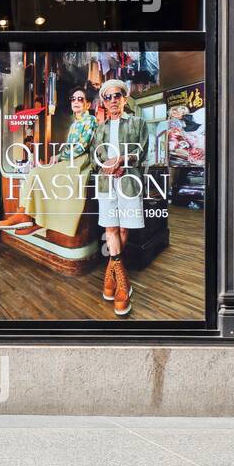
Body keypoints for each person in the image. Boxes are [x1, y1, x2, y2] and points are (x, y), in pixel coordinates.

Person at [0, 87, 96, 237]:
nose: (76, 101)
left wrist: (59, 157)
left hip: (79, 162)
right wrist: (59, 158)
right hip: (70, 160)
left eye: (80, 99)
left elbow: (82, 146)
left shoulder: (90, 119)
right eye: (73, 99)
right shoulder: (75, 123)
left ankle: (30, 218)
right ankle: (26, 215)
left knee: (38, 173)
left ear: (87, 104)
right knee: (36, 173)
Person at [91, 78, 148, 316]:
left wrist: (123, 160)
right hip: (106, 184)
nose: (113, 100)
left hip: (128, 181)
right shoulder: (99, 129)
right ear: (103, 102)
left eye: (117, 96)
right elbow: (95, 159)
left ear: (124, 98)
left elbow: (142, 150)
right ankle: (121, 283)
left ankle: (111, 273)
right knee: (111, 229)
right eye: (108, 97)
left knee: (124, 229)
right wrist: (104, 166)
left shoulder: (138, 122)